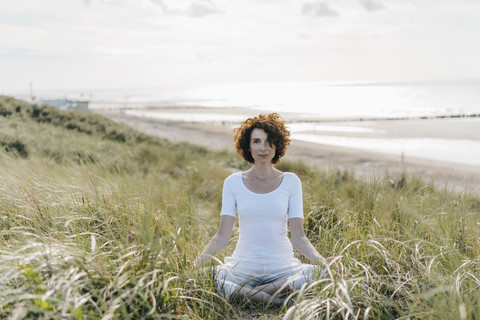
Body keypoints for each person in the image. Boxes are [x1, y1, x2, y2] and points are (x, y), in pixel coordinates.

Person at [196, 113, 337, 304]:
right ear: (248, 146)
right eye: (257, 141)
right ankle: (274, 301)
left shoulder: (291, 181)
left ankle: (250, 294)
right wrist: (197, 264)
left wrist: (323, 261)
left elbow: (299, 237)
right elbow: (222, 236)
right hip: (243, 266)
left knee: (322, 274)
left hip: (282, 267)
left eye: (269, 141)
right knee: (203, 277)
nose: (263, 147)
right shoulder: (233, 183)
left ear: (277, 145)